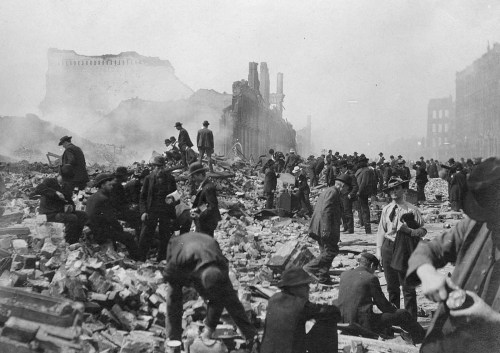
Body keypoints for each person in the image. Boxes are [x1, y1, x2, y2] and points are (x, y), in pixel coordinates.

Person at [406, 157, 500, 352]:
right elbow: (428, 249)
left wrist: (492, 319)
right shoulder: (476, 225)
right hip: (446, 340)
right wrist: (427, 274)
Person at [163, 232, 257, 345]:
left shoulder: (222, 267)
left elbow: (225, 300)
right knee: (174, 296)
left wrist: (209, 329)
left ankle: (251, 336)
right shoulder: (178, 262)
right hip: (180, 244)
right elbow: (169, 278)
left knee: (229, 298)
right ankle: (173, 340)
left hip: (207, 244)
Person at [337, 253, 425, 343]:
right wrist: (393, 308)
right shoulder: (371, 278)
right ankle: (422, 337)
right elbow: (383, 306)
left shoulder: (344, 275)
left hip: (342, 320)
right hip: (362, 323)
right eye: (374, 269)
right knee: (403, 314)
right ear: (372, 265)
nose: (374, 271)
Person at [376, 177, 427, 319]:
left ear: (404, 190)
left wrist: (412, 231)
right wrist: (379, 250)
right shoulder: (386, 209)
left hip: (405, 249)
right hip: (388, 247)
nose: (393, 191)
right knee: (392, 287)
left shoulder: (413, 209)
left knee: (408, 287)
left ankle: (411, 322)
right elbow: (381, 230)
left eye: (397, 188)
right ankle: (395, 318)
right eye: (391, 189)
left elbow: (422, 231)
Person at [261, 267, 340, 353]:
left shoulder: (273, 299)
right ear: (293, 288)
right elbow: (332, 312)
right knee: (328, 320)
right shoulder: (301, 305)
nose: (308, 288)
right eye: (305, 285)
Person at [85, 173, 140, 260]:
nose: (112, 186)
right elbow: (111, 219)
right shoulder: (104, 198)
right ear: (102, 185)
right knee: (128, 237)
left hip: (93, 228)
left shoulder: (92, 196)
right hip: (100, 231)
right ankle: (138, 260)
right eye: (109, 185)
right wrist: (121, 230)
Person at [303, 175, 345, 284]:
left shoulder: (328, 190)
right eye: (347, 189)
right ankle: (309, 268)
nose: (347, 191)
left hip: (319, 225)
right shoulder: (333, 192)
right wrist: (326, 229)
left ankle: (323, 276)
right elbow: (326, 210)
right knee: (331, 251)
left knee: (324, 250)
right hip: (324, 226)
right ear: (343, 186)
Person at [34, 164, 87, 244]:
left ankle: (75, 239)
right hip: (48, 214)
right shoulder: (49, 182)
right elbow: (38, 189)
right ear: (60, 175)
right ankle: (68, 242)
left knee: (83, 215)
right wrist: (55, 193)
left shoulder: (66, 186)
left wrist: (71, 207)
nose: (66, 181)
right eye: (64, 178)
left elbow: (70, 201)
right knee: (72, 218)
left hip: (60, 212)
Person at [139, 156, 177, 262]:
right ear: (153, 167)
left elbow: (175, 196)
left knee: (165, 235)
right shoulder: (148, 179)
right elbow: (142, 197)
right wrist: (143, 212)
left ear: (164, 167)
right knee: (146, 234)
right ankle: (141, 258)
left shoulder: (170, 179)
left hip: (165, 211)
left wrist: (173, 202)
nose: (158, 169)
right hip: (151, 210)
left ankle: (161, 259)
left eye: (160, 167)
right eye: (156, 167)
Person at [189, 163, 222, 237]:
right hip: (205, 222)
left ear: (200, 175)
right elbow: (206, 204)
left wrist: (199, 215)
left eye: (194, 177)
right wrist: (197, 210)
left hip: (207, 222)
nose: (193, 179)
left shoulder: (208, 188)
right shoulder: (203, 186)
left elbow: (212, 206)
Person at [109, 166, 141, 235]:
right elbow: (120, 202)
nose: (127, 177)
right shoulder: (117, 186)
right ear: (122, 176)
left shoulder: (113, 183)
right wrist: (130, 207)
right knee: (137, 217)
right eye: (126, 175)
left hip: (114, 210)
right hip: (117, 211)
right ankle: (137, 236)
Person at [355, 156, 373, 234]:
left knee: (365, 209)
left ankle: (367, 228)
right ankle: (362, 224)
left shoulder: (366, 171)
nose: (359, 163)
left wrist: (359, 191)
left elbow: (364, 182)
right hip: (358, 192)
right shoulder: (360, 170)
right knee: (360, 209)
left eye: (361, 162)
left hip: (362, 193)